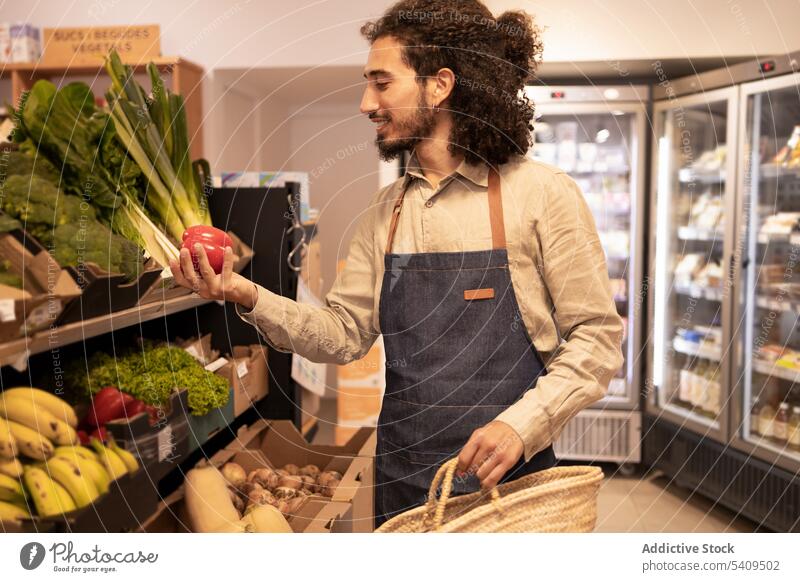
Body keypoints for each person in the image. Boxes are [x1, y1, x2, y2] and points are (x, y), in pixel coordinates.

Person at [170, 0, 624, 529]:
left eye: (381, 83)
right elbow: (342, 334)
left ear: (440, 85)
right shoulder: (383, 216)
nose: (366, 102)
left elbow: (595, 339)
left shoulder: (542, 196)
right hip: (404, 483)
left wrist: (523, 425)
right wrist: (244, 293)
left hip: (513, 492)